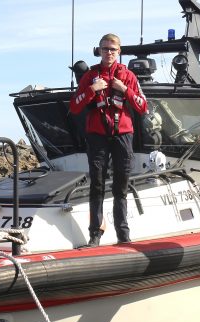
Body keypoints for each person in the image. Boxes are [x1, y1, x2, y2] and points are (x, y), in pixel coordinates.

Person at [69, 33, 147, 246]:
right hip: (97, 136)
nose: (109, 53)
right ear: (99, 51)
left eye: (113, 49)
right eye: (105, 49)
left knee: (121, 186)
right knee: (97, 184)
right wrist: (92, 90)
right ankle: (95, 234)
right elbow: (74, 106)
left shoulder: (128, 75)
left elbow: (142, 106)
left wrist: (125, 90)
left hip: (123, 135)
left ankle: (123, 235)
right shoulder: (90, 75)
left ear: (119, 51)